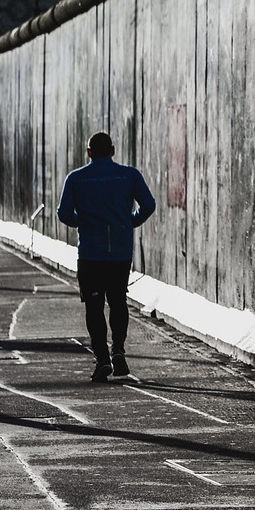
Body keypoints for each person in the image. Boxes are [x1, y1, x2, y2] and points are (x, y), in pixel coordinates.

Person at [56, 132, 156, 382]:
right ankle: (119, 350)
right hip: (120, 252)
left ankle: (102, 358)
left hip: (90, 253)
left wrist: (84, 223)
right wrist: (129, 222)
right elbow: (149, 205)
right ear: (112, 150)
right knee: (118, 301)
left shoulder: (76, 178)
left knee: (94, 305)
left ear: (89, 152)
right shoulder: (129, 175)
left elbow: (64, 213)